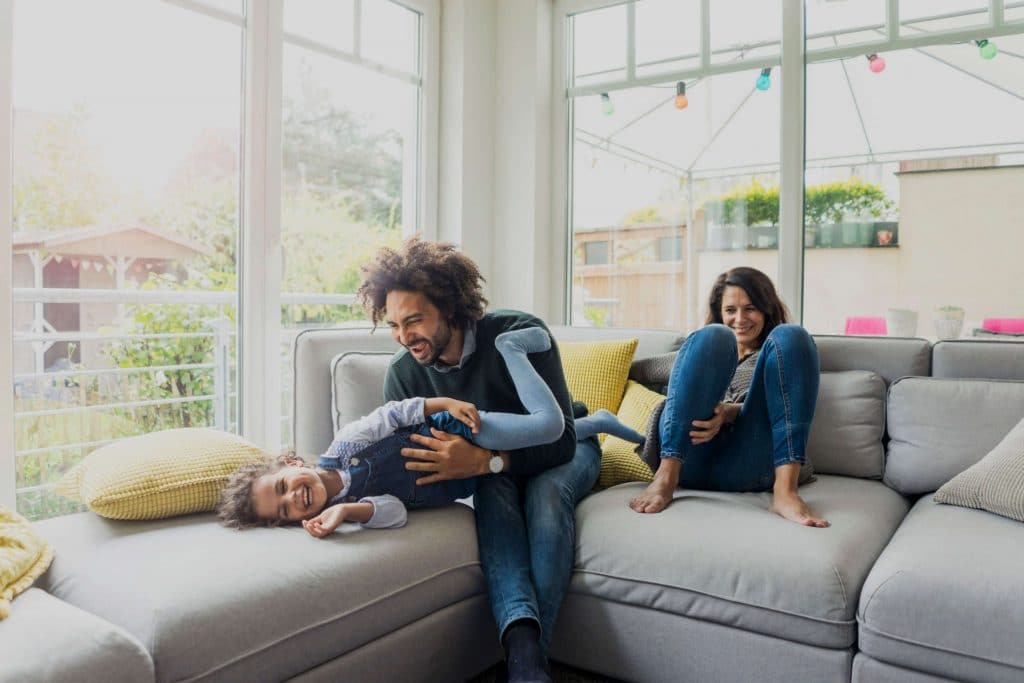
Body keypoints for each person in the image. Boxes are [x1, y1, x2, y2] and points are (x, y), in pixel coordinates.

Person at [356, 237, 604, 683]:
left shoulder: (518, 332)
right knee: (492, 498)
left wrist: (486, 462)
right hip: (493, 471)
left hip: (570, 447)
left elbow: (562, 439)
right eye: (393, 324)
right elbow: (421, 459)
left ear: (449, 308)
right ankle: (528, 663)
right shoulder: (403, 374)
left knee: (546, 496)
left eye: (414, 320)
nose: (404, 336)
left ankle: (528, 662)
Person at [216, 327, 641, 536]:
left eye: (284, 487)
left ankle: (511, 348)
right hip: (470, 471)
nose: (295, 498)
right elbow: (395, 513)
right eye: (286, 510)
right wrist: (348, 513)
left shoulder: (345, 445)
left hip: (457, 427)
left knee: (549, 426)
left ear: (292, 464)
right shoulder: (356, 502)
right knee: (548, 433)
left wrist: (445, 404)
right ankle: (595, 422)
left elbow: (397, 413)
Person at [629, 266, 829, 528]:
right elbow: (631, 370)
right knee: (714, 336)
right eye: (730, 310)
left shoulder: (776, 356)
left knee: (792, 335)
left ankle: (785, 492)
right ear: (720, 312)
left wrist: (728, 412)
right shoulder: (702, 353)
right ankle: (665, 477)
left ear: (766, 309)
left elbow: (786, 400)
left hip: (751, 461)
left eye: (750, 308)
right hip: (690, 455)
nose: (740, 319)